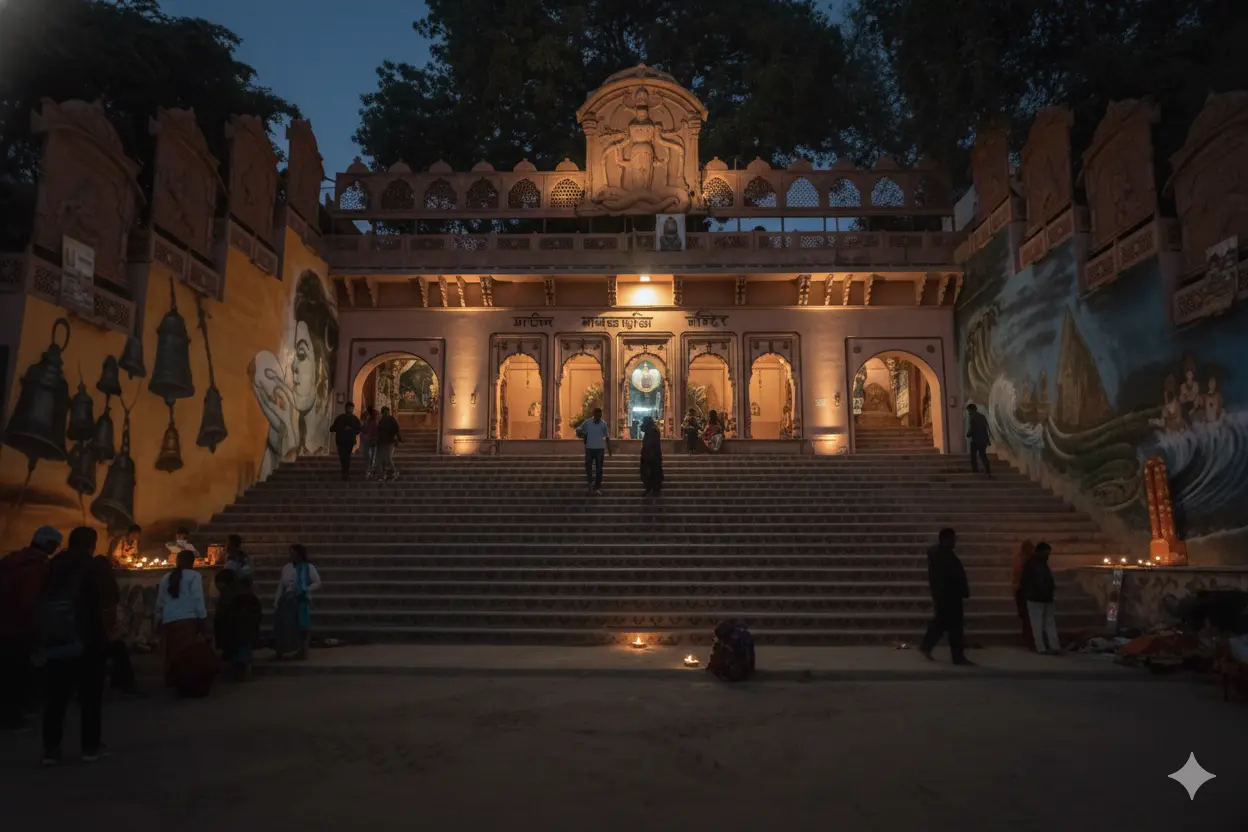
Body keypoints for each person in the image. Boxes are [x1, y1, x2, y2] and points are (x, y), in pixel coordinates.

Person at [40, 527, 108, 765]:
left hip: (58, 637)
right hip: (87, 639)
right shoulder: (92, 567)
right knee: (89, 697)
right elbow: (107, 599)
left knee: (56, 697)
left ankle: (51, 749)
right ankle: (90, 748)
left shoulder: (54, 564)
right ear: (92, 544)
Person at [0, 526, 58, 732]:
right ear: (49, 544)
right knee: (19, 670)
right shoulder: (37, 565)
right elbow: (30, 599)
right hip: (21, 624)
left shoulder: (13, 558)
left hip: (5, 622)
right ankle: (13, 716)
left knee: (7, 669)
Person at [154, 549, 212, 693]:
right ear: (192, 562)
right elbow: (198, 599)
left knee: (173, 653)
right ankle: (188, 683)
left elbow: (160, 602)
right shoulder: (194, 576)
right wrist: (203, 618)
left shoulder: (166, 577)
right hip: (187, 620)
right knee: (186, 654)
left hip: (169, 619)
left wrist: (158, 619)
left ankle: (175, 681)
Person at [919, 528, 973, 665]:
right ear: (946, 539)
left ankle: (928, 646)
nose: (955, 541)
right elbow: (944, 578)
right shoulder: (942, 555)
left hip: (948, 596)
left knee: (942, 624)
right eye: (953, 538)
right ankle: (957, 656)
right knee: (952, 627)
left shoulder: (942, 554)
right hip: (949, 597)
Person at [93, 547, 138, 697]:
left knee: (111, 654)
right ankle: (126, 686)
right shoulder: (107, 581)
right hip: (104, 627)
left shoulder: (91, 580)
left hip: (95, 628)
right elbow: (114, 600)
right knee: (117, 652)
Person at [273, 544, 322, 660]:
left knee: (302, 626)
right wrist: (276, 600)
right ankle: (282, 650)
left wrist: (306, 588)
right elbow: (281, 585)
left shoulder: (308, 567)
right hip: (288, 598)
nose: (292, 556)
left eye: (294, 554)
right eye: (291, 554)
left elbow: (318, 582)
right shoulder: (287, 567)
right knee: (283, 625)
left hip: (301, 599)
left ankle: (302, 650)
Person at [214, 569, 261, 681]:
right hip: (231, 634)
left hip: (241, 633)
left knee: (240, 653)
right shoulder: (226, 598)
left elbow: (251, 619)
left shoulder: (245, 598)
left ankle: (241, 668)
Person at [1020, 541, 1061, 655]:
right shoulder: (1038, 563)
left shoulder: (1033, 563)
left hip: (1039, 597)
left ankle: (1044, 647)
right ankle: (1049, 646)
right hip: (1038, 597)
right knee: (1043, 623)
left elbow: (1024, 581)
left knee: (1040, 623)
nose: (1048, 556)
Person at [579, 407, 613, 495]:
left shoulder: (603, 424)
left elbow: (607, 437)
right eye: (597, 414)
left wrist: (609, 450)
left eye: (600, 415)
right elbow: (579, 430)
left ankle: (596, 487)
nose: (599, 416)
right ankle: (590, 485)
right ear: (594, 414)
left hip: (600, 449)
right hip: (590, 448)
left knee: (599, 469)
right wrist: (584, 436)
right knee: (589, 468)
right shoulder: (588, 422)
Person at [1011, 540, 1036, 649]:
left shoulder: (1022, 560)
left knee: (1027, 618)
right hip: (1025, 591)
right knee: (1028, 618)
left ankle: (1029, 640)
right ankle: (1030, 641)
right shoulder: (1025, 560)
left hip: (1024, 591)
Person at [330, 402, 362, 481]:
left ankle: (345, 471)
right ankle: (344, 470)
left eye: (351, 408)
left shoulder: (355, 419)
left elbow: (359, 429)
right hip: (341, 440)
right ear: (345, 408)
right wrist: (343, 428)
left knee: (346, 456)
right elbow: (333, 428)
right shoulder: (340, 418)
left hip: (349, 441)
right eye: (348, 408)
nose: (349, 410)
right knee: (342, 456)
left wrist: (352, 430)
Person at [639, 415, 664, 497]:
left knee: (650, 473)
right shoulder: (653, 429)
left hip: (651, 455)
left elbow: (650, 444)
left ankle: (651, 489)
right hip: (652, 455)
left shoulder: (652, 430)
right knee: (651, 473)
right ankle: (652, 489)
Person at [376, 405, 402, 481]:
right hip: (382, 442)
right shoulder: (381, 421)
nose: (385, 414)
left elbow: (397, 429)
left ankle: (394, 471)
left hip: (390, 442)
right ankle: (381, 475)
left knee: (388, 458)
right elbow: (379, 432)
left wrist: (398, 438)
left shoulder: (392, 420)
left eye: (387, 412)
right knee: (380, 460)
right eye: (384, 412)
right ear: (382, 413)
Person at [965, 403, 992, 476]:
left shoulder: (972, 417)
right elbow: (985, 429)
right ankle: (988, 470)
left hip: (975, 440)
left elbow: (972, 429)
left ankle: (975, 470)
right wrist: (987, 440)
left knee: (973, 456)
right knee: (983, 455)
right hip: (983, 440)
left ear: (971, 410)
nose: (969, 413)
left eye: (969, 411)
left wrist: (968, 434)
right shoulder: (982, 417)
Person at [360, 406, 379, 479]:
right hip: (368, 441)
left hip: (374, 440)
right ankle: (369, 471)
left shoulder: (376, 422)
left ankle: (371, 471)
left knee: (372, 456)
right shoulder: (367, 421)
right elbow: (363, 429)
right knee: (369, 456)